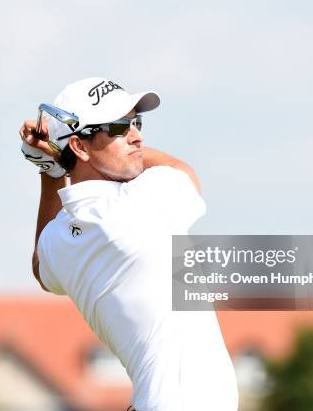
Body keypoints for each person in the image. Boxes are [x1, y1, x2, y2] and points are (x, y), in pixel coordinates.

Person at [19, 77, 238, 410]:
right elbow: (183, 170)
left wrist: (52, 170)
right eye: (120, 127)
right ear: (80, 146)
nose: (138, 136)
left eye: (137, 122)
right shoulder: (140, 202)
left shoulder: (61, 236)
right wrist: (56, 160)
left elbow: (41, 268)